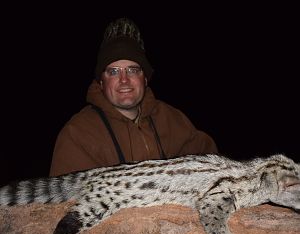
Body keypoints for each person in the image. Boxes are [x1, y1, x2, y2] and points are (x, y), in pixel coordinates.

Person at [49, 17, 218, 176]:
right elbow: (67, 202)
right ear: (101, 82)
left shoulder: (172, 120)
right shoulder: (77, 134)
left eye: (132, 70)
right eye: (113, 72)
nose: (124, 80)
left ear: (144, 79)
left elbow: (213, 167)